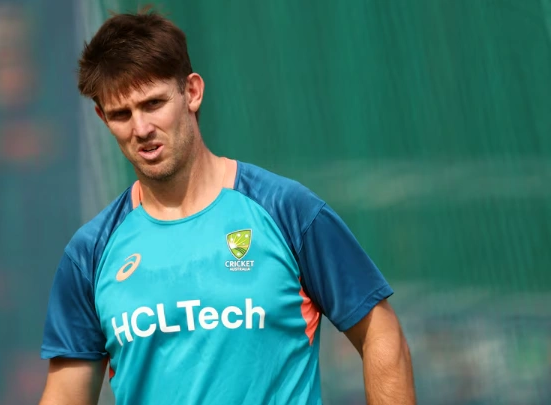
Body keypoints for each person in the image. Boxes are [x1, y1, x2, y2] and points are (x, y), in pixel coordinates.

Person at [39, 8, 415, 405]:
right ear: (102, 118)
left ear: (192, 92)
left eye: (153, 103)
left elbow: (380, 333)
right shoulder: (90, 254)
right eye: (121, 114)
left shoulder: (288, 212)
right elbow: (65, 394)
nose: (141, 128)